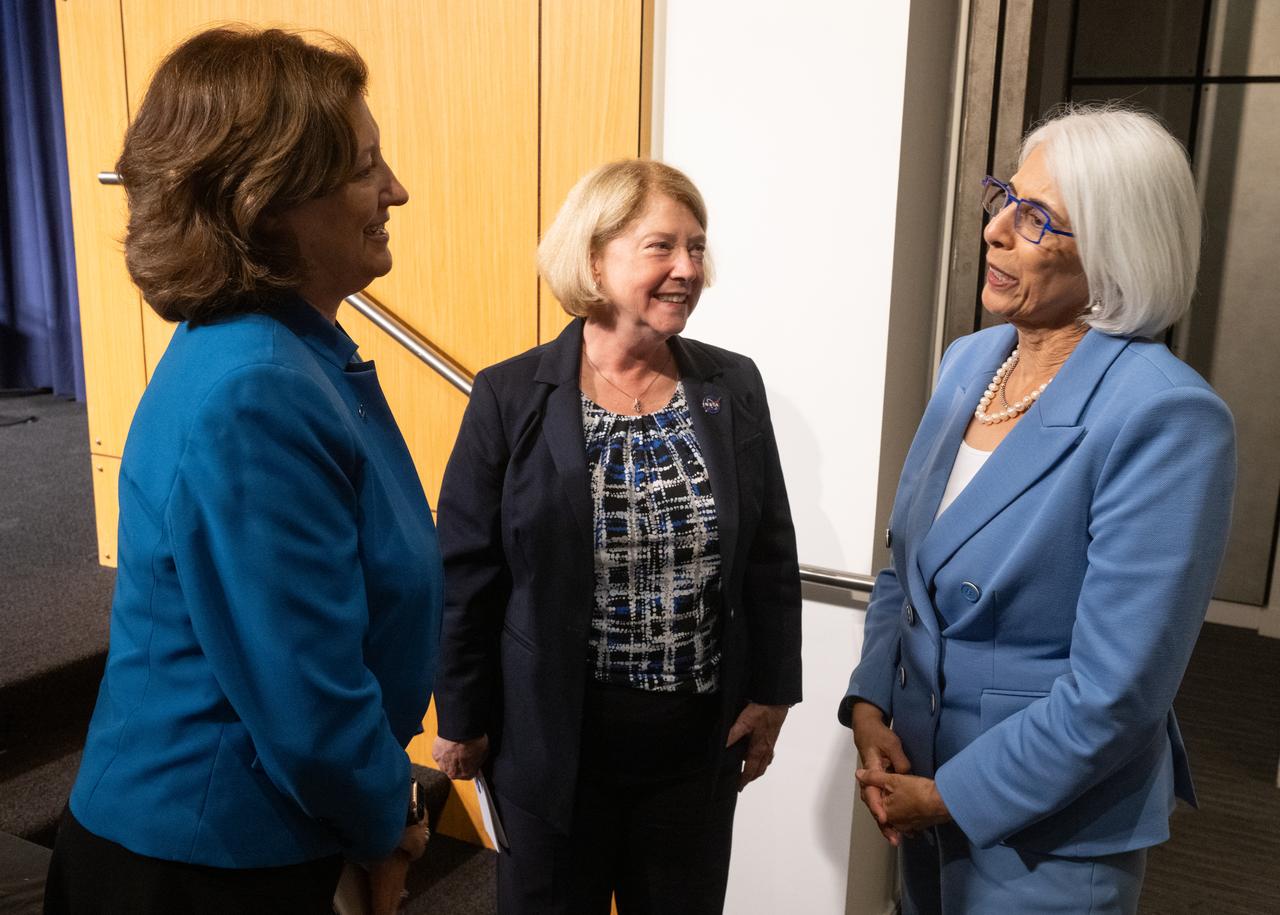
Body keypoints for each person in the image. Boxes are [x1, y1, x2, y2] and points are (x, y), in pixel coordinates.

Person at [44, 27, 440, 915]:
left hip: (247, 841)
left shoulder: (287, 351)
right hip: (202, 865)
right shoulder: (257, 385)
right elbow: (308, 698)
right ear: (268, 204)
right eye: (365, 167)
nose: (396, 190)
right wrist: (392, 816)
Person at [840, 105, 1237, 914]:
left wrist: (949, 795)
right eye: (1004, 199)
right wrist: (873, 701)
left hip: (1045, 831)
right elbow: (907, 567)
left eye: (1036, 219)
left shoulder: (1165, 416)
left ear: (1117, 251)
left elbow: (1115, 695)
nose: (994, 230)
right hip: (916, 776)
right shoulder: (970, 361)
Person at [431, 159, 802, 914]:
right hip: (550, 743)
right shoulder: (510, 394)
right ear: (593, 258)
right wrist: (460, 714)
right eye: (661, 247)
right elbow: (467, 569)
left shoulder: (731, 386)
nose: (688, 269)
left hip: (693, 751)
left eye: (696, 248)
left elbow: (769, 549)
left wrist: (773, 692)